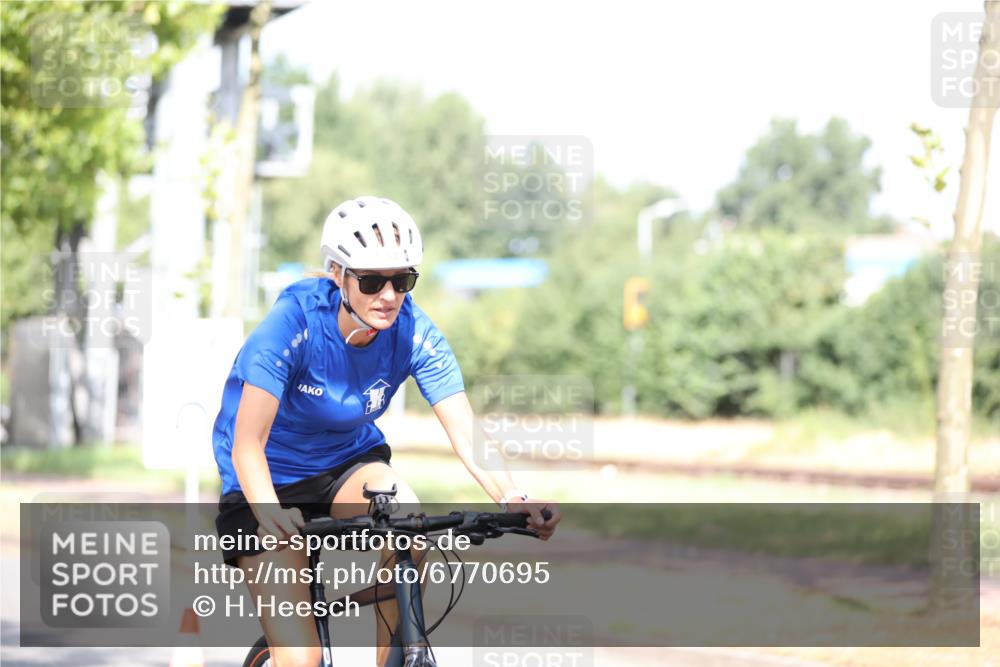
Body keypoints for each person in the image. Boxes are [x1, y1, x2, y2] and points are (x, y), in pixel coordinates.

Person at [212, 196, 561, 667]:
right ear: (338, 274)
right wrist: (270, 512)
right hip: (264, 481)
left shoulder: (413, 329)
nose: (390, 296)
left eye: (403, 280)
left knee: (409, 523)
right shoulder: (291, 326)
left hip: (346, 466)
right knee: (301, 659)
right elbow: (247, 445)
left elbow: (465, 428)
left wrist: (513, 498)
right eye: (373, 281)